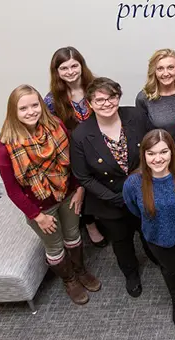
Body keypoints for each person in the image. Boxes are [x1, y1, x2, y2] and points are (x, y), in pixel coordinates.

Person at [0, 85, 101, 305]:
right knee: (54, 246)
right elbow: (12, 189)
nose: (31, 111)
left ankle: (80, 270)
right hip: (41, 206)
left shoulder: (56, 126)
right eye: (23, 108)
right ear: (13, 111)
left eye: (35, 105)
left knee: (73, 236)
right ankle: (70, 279)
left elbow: (71, 162)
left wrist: (79, 189)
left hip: (68, 194)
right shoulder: (6, 145)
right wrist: (37, 215)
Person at [70, 77, 155, 298]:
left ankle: (154, 255)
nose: (106, 103)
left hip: (142, 189)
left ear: (118, 97)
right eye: (100, 100)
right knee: (121, 240)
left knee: (148, 228)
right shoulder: (80, 135)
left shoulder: (136, 116)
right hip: (108, 199)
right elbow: (83, 177)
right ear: (90, 103)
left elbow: (153, 148)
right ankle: (131, 273)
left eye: (112, 97)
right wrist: (117, 198)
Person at [123, 130, 175, 329]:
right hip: (156, 235)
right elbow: (134, 209)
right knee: (169, 270)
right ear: (144, 155)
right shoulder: (133, 183)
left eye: (163, 152)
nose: (157, 159)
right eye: (151, 153)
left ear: (172, 152)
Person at [44, 46, 106, 248]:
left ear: (81, 66)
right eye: (64, 68)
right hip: (72, 152)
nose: (70, 72)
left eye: (74, 66)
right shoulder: (52, 99)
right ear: (57, 72)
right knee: (82, 183)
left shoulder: (96, 87)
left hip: (101, 145)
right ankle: (89, 224)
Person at [135, 49, 175, 142]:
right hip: (161, 153)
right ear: (154, 71)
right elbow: (143, 134)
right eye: (160, 69)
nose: (166, 73)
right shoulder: (144, 97)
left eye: (170, 67)